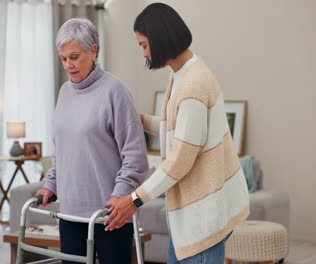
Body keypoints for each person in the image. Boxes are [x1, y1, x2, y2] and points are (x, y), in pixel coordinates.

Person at [104, 3, 250, 264]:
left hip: (204, 215)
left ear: (160, 39)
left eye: (143, 45)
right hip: (193, 215)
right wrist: (141, 121)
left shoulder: (193, 83)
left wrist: (134, 199)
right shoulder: (183, 74)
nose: (144, 53)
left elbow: (181, 158)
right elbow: (182, 129)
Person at [36, 18, 149, 264]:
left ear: (94, 50)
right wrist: (51, 184)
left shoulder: (115, 91)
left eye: (74, 57)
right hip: (70, 215)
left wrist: (120, 197)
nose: (68, 65)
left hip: (110, 215)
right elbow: (62, 150)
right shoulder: (64, 92)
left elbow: (135, 156)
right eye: (63, 58)